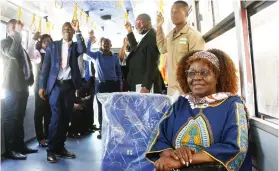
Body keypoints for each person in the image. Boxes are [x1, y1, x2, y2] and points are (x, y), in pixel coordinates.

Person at [146, 49, 252, 171]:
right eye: (191, 73)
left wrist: (183, 161)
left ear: (217, 77)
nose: (196, 78)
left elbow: (237, 147)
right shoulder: (181, 103)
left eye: (204, 72)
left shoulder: (232, 104)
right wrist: (170, 155)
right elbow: (159, 136)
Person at [39, 20, 86, 163]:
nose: (67, 31)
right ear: (61, 31)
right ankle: (51, 150)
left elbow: (83, 49)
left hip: (69, 87)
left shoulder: (76, 46)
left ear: (72, 32)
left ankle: (60, 147)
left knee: (66, 119)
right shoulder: (52, 46)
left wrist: (78, 31)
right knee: (56, 118)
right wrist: (42, 86)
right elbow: (45, 68)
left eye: (69, 29)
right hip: (56, 87)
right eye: (65, 29)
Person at [1, 19, 37, 160]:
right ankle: (10, 150)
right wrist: (17, 34)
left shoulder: (19, 45)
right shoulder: (5, 43)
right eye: (16, 28)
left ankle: (20, 146)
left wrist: (30, 80)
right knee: (11, 118)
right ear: (11, 29)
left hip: (23, 87)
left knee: (20, 117)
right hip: (12, 87)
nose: (20, 31)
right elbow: (13, 54)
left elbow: (26, 64)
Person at [156, 1, 205, 95]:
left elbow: (198, 65)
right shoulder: (170, 35)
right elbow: (162, 49)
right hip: (171, 89)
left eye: (177, 12)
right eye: (171, 12)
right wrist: (159, 27)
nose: (173, 15)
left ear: (186, 14)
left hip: (186, 90)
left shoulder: (193, 35)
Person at [84, 37, 122, 139]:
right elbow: (86, 51)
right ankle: (102, 129)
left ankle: (114, 130)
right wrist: (89, 41)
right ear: (101, 45)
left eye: (107, 43)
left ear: (111, 45)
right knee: (101, 109)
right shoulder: (96, 55)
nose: (106, 45)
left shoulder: (115, 57)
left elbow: (119, 72)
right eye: (104, 44)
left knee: (113, 108)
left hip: (114, 85)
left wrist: (120, 85)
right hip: (101, 86)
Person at [124, 14, 162, 93]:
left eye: (141, 22)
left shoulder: (152, 37)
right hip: (139, 83)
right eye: (136, 23)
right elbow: (136, 50)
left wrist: (146, 86)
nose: (138, 25)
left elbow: (152, 63)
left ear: (150, 23)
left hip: (144, 86)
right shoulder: (146, 36)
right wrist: (129, 31)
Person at [27, 32, 53, 147]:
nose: (46, 43)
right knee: (39, 113)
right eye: (44, 41)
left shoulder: (53, 54)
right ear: (41, 43)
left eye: (49, 41)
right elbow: (29, 53)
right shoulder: (38, 54)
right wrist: (33, 39)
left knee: (49, 113)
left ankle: (48, 136)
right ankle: (41, 138)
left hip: (50, 87)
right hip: (39, 87)